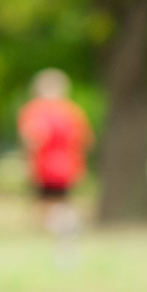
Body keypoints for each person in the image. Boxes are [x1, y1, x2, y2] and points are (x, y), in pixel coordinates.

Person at [17, 68, 92, 236]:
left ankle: (62, 231)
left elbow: (31, 139)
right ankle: (64, 229)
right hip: (64, 167)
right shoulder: (72, 111)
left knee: (45, 206)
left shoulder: (35, 111)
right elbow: (85, 140)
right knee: (59, 204)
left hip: (49, 167)